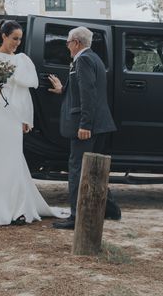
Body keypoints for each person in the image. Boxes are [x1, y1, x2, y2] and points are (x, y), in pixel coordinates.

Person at [0, 20, 68, 226]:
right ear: (4, 36)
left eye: (20, 39)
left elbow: (24, 93)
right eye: (14, 38)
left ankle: (18, 208)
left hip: (12, 114)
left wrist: (26, 118)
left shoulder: (21, 60)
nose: (17, 43)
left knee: (14, 158)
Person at [48, 26, 121, 230]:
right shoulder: (93, 58)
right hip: (100, 124)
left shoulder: (83, 59)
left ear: (77, 43)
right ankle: (110, 209)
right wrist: (63, 89)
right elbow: (85, 89)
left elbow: (88, 93)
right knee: (94, 170)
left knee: (77, 169)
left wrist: (84, 125)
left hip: (89, 125)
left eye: (68, 41)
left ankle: (75, 216)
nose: (67, 45)